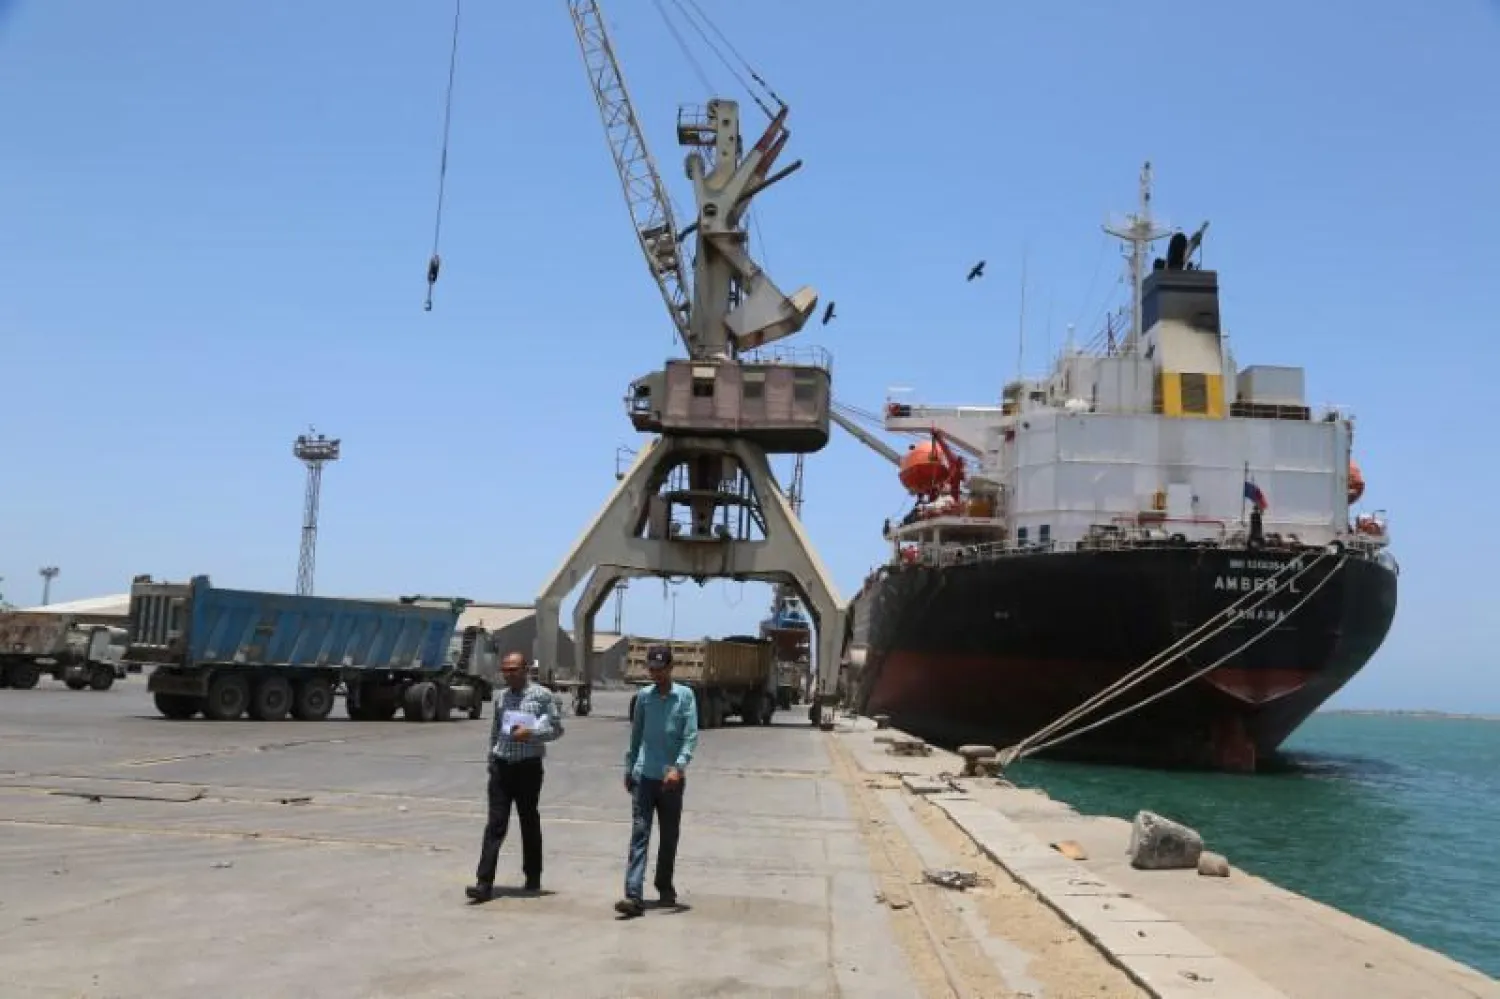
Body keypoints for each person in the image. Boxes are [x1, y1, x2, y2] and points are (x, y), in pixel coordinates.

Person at [467, 651, 564, 902]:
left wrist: (531, 733)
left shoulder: (542, 696)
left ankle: (533, 874)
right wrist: (491, 759)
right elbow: (495, 731)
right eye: (505, 670)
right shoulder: (501, 698)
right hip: (502, 766)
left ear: (526, 670)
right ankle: (484, 882)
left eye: (513, 670)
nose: (508, 675)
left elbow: (556, 728)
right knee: (495, 824)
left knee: (528, 820)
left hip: (528, 767)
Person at [615, 644, 699, 917]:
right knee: (639, 834)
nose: (657, 675)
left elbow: (690, 736)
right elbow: (636, 736)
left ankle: (664, 885)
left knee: (669, 835)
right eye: (652, 670)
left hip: (670, 779)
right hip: (644, 776)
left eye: (661, 670)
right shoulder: (643, 698)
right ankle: (633, 895)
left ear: (671, 669)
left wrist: (679, 766)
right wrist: (629, 769)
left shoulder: (685, 697)